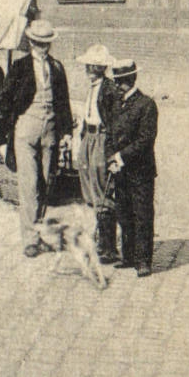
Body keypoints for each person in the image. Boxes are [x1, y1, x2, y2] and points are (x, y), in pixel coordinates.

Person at [0, 19, 74, 257]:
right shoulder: (20, 67)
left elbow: (63, 102)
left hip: (50, 130)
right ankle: (29, 239)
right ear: (30, 42)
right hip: (26, 128)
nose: (42, 48)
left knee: (46, 183)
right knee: (29, 185)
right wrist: (0, 137)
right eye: (38, 43)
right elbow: (4, 101)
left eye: (46, 43)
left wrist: (66, 131)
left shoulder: (57, 67)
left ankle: (39, 234)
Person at [105, 58, 159, 278]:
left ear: (131, 80)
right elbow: (110, 133)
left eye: (121, 82)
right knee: (124, 212)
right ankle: (128, 256)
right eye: (117, 81)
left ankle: (143, 260)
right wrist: (111, 157)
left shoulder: (146, 105)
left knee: (142, 214)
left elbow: (146, 139)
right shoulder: (117, 104)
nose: (118, 86)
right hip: (120, 169)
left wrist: (121, 156)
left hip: (140, 170)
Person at [73, 43, 119, 263]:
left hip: (101, 140)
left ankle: (109, 247)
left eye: (90, 67)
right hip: (88, 139)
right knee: (89, 190)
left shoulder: (109, 89)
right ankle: (99, 238)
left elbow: (113, 122)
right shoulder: (92, 87)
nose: (87, 70)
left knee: (102, 190)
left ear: (99, 68)